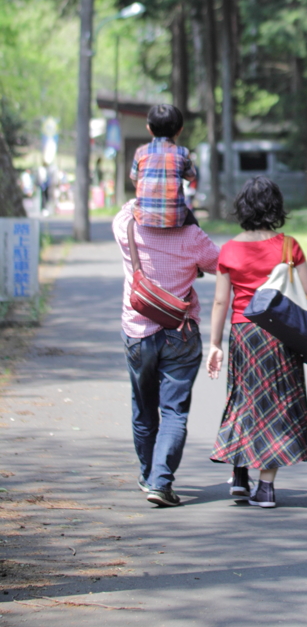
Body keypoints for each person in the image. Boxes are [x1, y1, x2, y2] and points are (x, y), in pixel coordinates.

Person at [207, 176, 307, 509]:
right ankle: (265, 488)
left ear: (242, 207)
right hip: (281, 334)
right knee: (276, 405)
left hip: (244, 333)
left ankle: (239, 474)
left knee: (243, 399)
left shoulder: (228, 250)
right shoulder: (288, 246)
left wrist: (214, 344)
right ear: (275, 208)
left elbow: (220, 302)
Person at [113, 200, 219, 507]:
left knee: (143, 407)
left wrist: (139, 198)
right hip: (180, 335)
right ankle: (160, 481)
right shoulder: (192, 237)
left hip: (137, 333)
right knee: (174, 410)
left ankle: (148, 476)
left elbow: (127, 208)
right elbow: (221, 265)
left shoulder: (126, 227)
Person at [130, 104, 199, 228]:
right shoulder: (182, 152)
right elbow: (191, 176)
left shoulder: (141, 152)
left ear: (149, 129)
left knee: (127, 210)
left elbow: (134, 179)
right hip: (175, 219)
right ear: (180, 130)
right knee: (194, 222)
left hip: (143, 218)